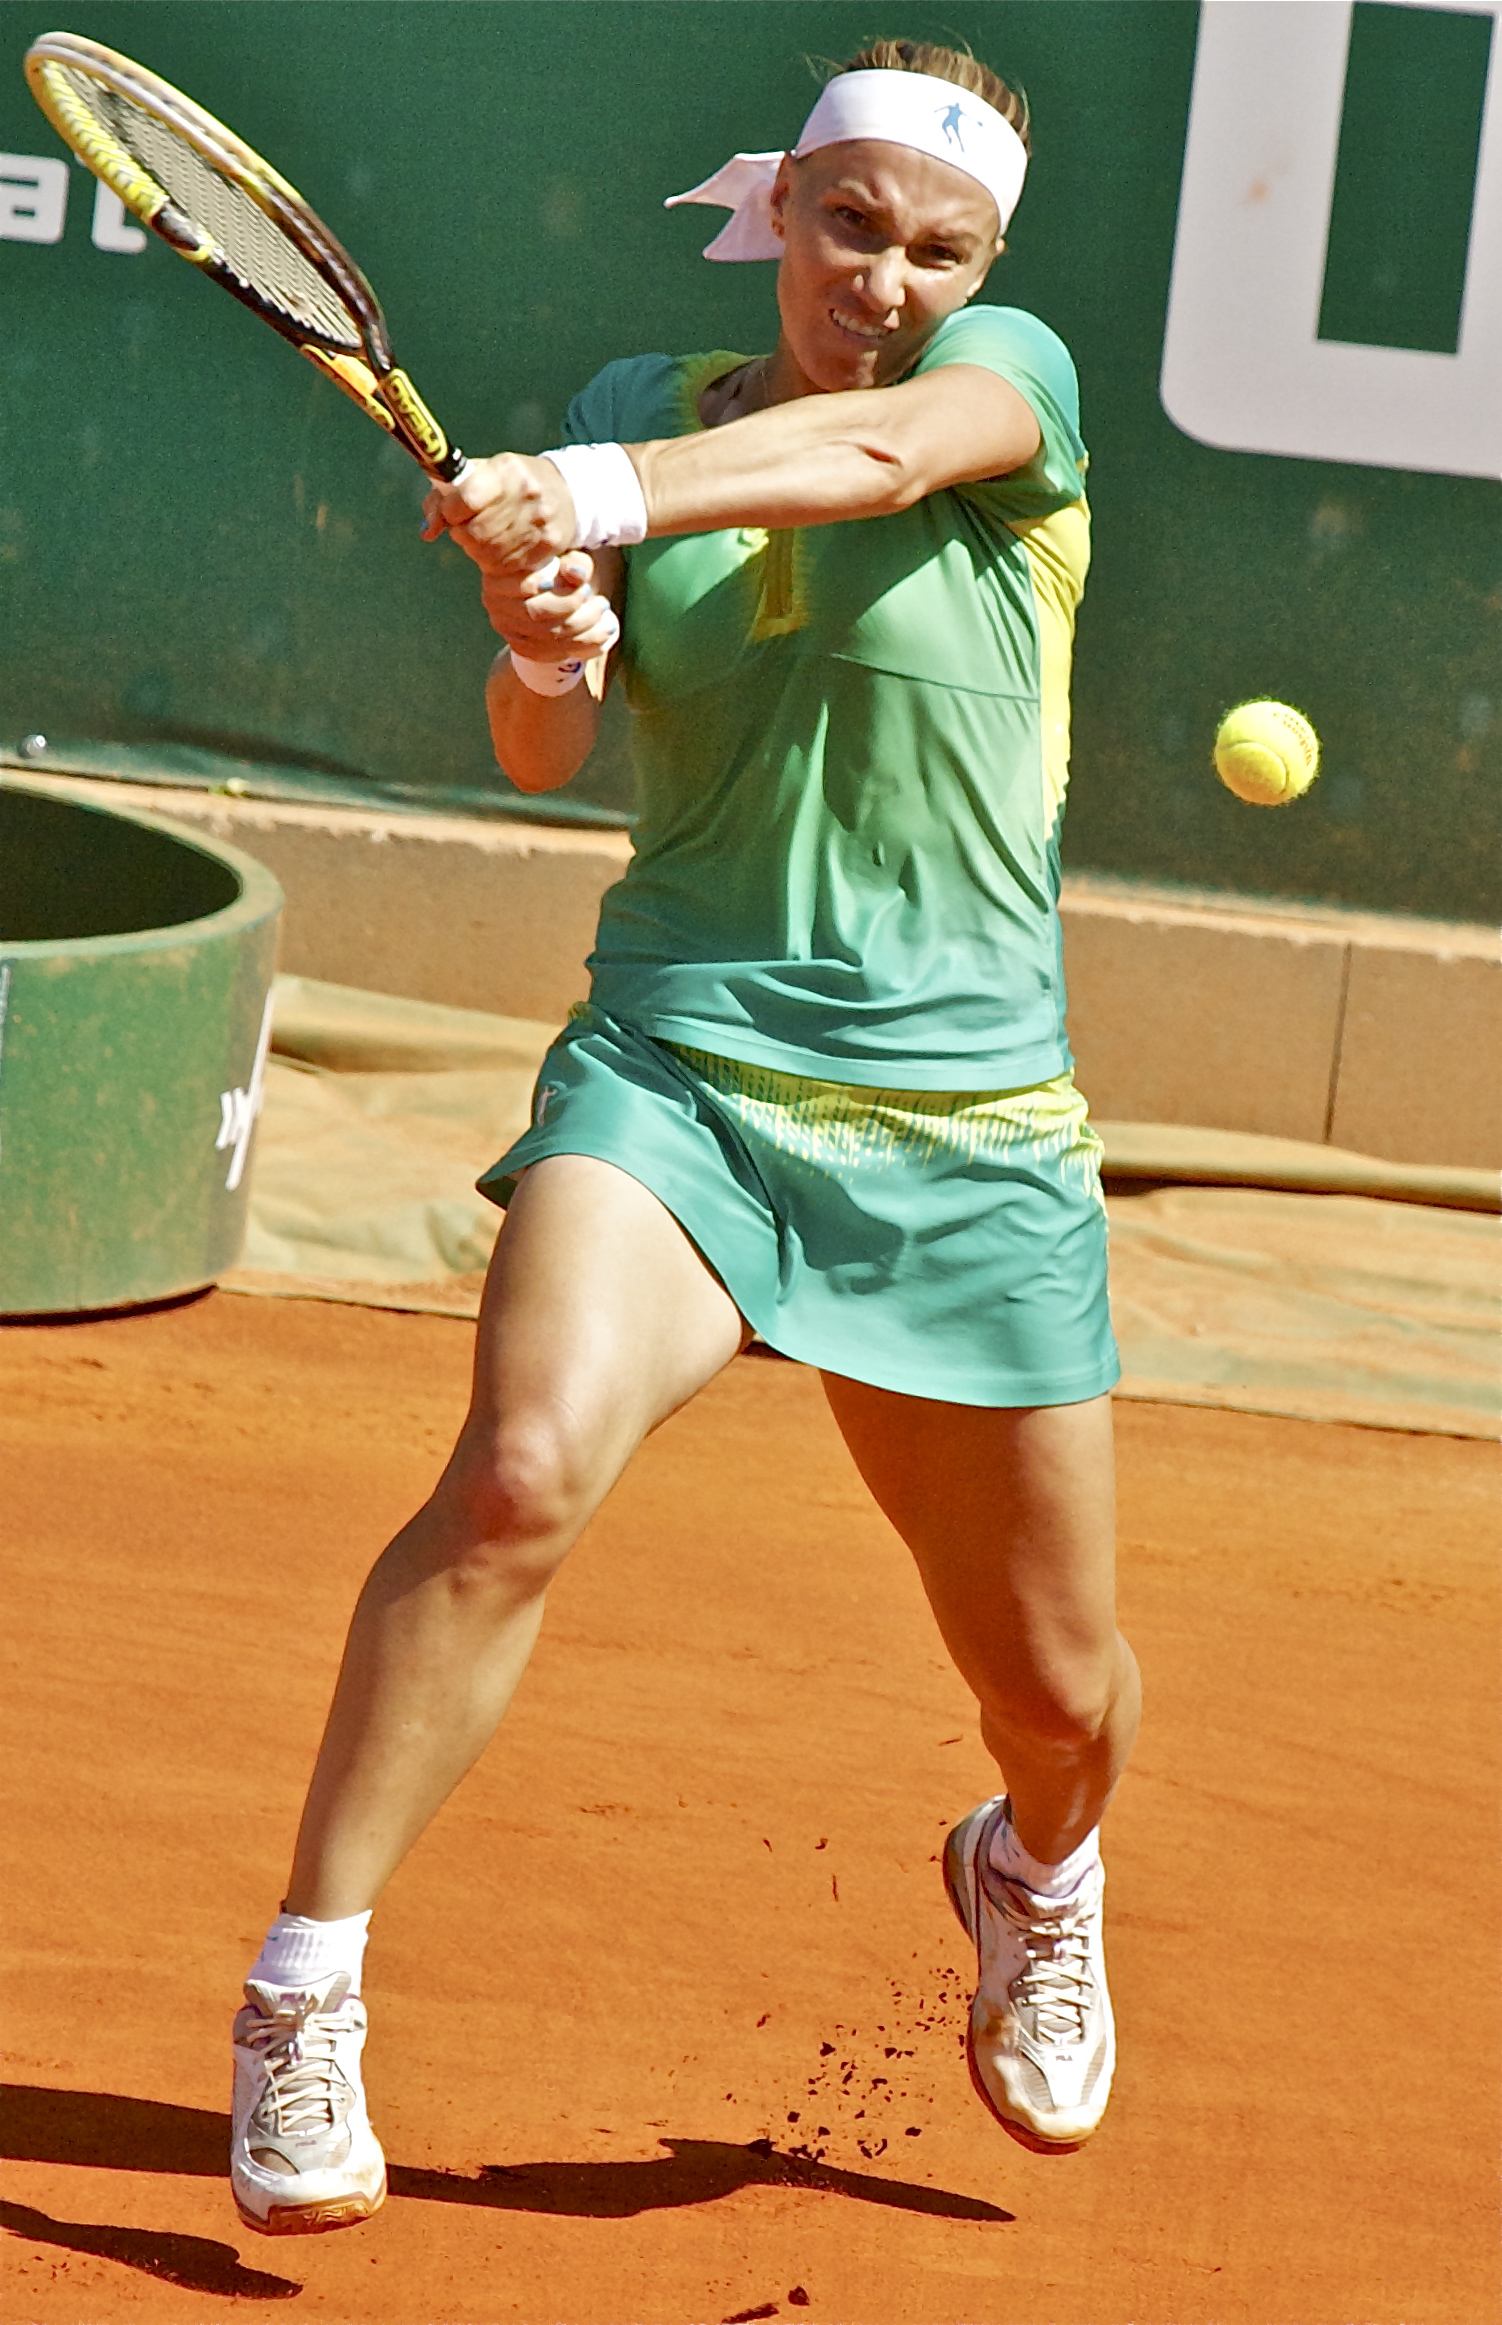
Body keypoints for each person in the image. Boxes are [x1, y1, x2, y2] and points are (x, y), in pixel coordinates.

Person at [230, 38, 1141, 2238]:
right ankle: (301, 1989)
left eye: (939, 250)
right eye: (852, 225)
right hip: (681, 1069)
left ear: (984, 271)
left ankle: (1033, 1869)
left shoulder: (999, 386)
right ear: (782, 214)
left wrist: (599, 495)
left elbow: (876, 457)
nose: (887, 280)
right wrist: (539, 632)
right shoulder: (650, 396)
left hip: (969, 1130)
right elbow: (543, 750)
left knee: (1058, 1697)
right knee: (516, 1470)